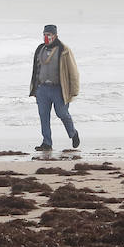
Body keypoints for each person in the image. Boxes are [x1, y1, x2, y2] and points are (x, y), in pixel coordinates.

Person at [29, 23, 79, 151]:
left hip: (58, 89)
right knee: (43, 115)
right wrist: (35, 88)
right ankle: (47, 143)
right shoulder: (40, 49)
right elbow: (36, 70)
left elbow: (73, 71)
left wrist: (74, 90)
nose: (46, 37)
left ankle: (73, 133)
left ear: (55, 35)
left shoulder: (64, 50)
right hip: (42, 89)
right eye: (45, 35)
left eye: (49, 35)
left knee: (62, 113)